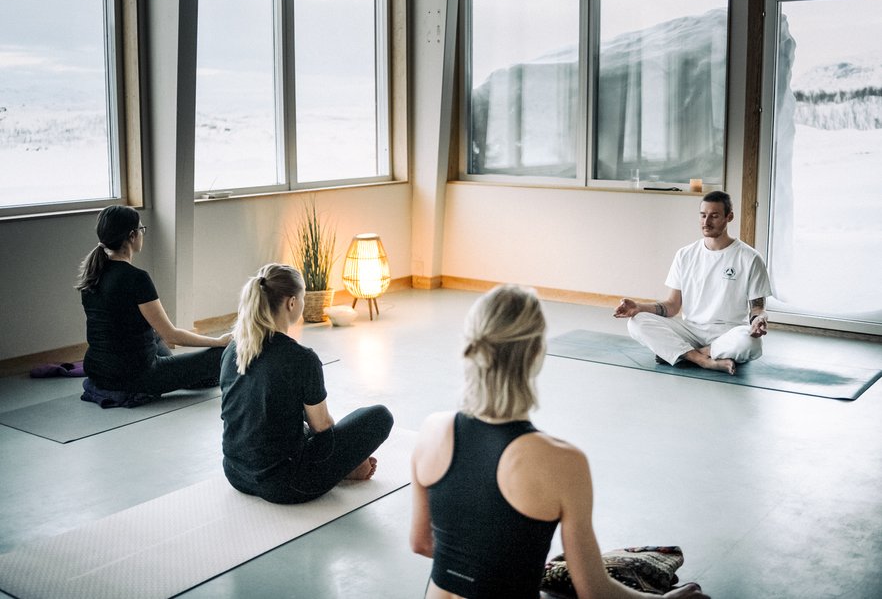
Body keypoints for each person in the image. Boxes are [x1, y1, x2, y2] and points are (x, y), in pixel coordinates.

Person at [410, 284, 709, 599]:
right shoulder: (562, 461)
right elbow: (594, 590)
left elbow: (421, 543)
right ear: (536, 354)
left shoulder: (431, 430)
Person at [219, 263, 394, 504]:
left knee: (289, 416)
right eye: (302, 298)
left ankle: (341, 468)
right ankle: (346, 471)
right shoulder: (301, 358)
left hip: (235, 473)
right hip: (285, 485)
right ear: (292, 303)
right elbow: (322, 427)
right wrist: (352, 457)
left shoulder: (233, 349)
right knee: (379, 416)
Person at [76, 205, 230, 397]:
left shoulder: (93, 273)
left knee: (154, 335)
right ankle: (183, 375)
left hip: (97, 370)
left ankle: (181, 374)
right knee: (224, 353)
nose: (143, 233)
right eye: (141, 229)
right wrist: (218, 341)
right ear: (132, 235)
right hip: (136, 376)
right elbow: (172, 336)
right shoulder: (137, 278)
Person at [614, 190, 772, 375]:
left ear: (729, 217)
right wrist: (639, 307)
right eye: (703, 215)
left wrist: (759, 319)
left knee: (752, 344)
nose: (706, 222)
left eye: (714, 216)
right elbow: (672, 306)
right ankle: (702, 359)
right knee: (636, 322)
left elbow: (757, 308)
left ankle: (684, 353)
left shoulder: (750, 258)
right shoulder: (685, 254)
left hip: (728, 333)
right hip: (690, 330)